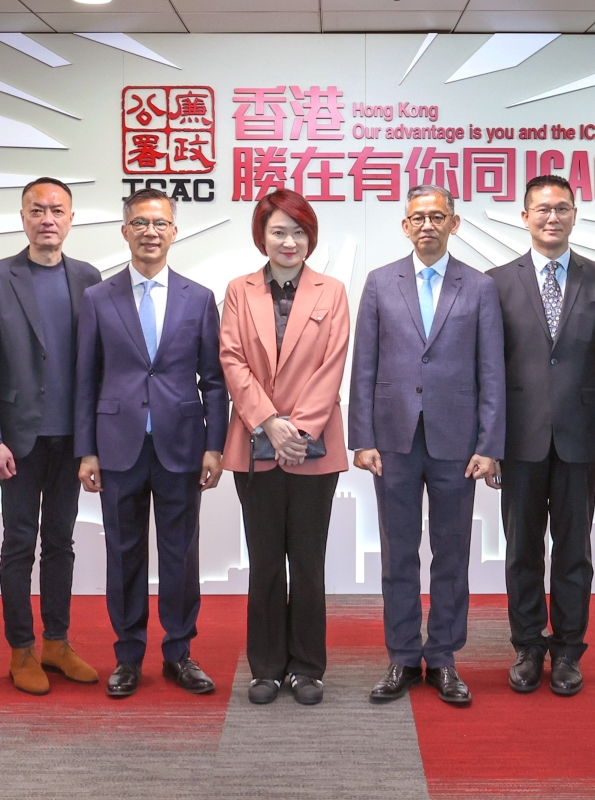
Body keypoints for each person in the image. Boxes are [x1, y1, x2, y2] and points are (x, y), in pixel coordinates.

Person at [352, 184, 504, 708]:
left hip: (457, 442)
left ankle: (442, 657)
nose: (427, 226)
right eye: (417, 217)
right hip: (392, 439)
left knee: (451, 552)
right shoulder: (380, 282)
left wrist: (490, 443)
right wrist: (362, 437)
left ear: (454, 224)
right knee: (398, 553)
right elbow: (364, 364)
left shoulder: (480, 286)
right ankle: (401, 655)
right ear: (405, 225)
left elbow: (492, 371)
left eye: (437, 217)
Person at [75, 188, 228, 698]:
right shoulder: (98, 298)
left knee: (180, 555)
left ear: (174, 232)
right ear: (125, 231)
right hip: (117, 447)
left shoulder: (198, 298)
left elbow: (214, 381)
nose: (150, 232)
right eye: (140, 223)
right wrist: (87, 450)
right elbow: (86, 380)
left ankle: (179, 652)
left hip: (181, 446)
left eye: (160, 223)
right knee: (124, 554)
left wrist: (214, 445)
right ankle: (128, 655)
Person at [486, 174, 595, 697]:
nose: (553, 217)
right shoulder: (496, 282)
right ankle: (527, 646)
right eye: (543, 209)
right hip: (517, 442)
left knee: (574, 551)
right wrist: (488, 444)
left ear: (574, 215)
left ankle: (568, 650)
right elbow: (488, 371)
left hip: (580, 441)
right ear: (525, 216)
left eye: (562, 208)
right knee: (522, 550)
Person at [0, 178, 103, 695]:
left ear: (71, 218)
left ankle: (57, 643)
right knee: (19, 543)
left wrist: (93, 442)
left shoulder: (89, 278)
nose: (48, 219)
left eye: (57, 210)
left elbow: (97, 363)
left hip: (71, 438)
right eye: (37, 210)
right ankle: (21, 649)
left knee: (61, 543)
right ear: (23, 217)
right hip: (17, 441)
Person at [219, 189, 352, 706]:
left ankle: (307, 667)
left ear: (310, 237)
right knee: (266, 561)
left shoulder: (332, 291)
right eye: (279, 231)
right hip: (255, 444)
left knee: (309, 561)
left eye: (298, 232)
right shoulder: (239, 290)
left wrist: (298, 431)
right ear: (262, 236)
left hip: (312, 448)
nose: (289, 241)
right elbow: (232, 359)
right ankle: (267, 667)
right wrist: (269, 422)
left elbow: (333, 364)